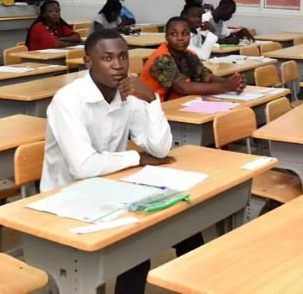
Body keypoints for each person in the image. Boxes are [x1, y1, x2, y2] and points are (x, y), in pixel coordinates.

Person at [40, 29, 201, 293]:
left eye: (123, 57)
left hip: (108, 188)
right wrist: (136, 157)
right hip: (66, 198)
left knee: (184, 228)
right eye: (107, 58)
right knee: (134, 250)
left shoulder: (128, 93)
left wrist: (151, 100)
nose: (118, 65)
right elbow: (83, 167)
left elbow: (160, 149)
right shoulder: (68, 100)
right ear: (88, 62)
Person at [141, 17, 245, 102]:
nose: (180, 38)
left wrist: (232, 83)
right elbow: (183, 88)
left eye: (185, 33)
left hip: (180, 104)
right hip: (155, 109)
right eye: (173, 34)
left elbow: (207, 77)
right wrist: (225, 86)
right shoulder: (161, 59)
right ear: (166, 37)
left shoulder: (189, 55)